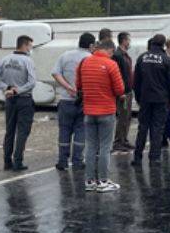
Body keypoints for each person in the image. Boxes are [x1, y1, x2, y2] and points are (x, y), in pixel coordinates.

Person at [77, 38, 125, 192]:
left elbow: (78, 85)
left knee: (91, 146)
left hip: (89, 111)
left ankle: (89, 181)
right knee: (105, 147)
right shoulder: (111, 64)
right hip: (106, 110)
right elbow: (119, 90)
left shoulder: (84, 63)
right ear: (110, 50)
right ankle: (103, 181)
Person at [131, 34, 170, 166]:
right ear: (163, 44)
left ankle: (137, 156)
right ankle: (154, 157)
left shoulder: (142, 58)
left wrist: (138, 98)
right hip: (161, 99)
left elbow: (136, 81)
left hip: (145, 98)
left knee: (143, 127)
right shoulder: (166, 60)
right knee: (157, 128)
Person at [0, 36, 38, 171]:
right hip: (24, 99)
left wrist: (7, 88)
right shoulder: (27, 61)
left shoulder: (5, 59)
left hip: (10, 99)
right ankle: (18, 161)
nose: (30, 49)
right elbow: (32, 82)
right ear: (24, 45)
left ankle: (7, 161)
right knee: (23, 131)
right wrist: (17, 90)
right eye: (30, 46)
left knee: (10, 131)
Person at [52, 33, 93, 171]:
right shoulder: (90, 58)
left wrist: (68, 87)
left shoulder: (65, 55)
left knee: (64, 130)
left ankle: (62, 161)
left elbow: (55, 73)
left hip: (65, 99)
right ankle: (77, 161)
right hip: (83, 100)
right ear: (91, 45)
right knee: (80, 130)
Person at [112, 32, 135, 151]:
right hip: (123, 92)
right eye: (128, 40)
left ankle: (124, 139)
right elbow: (118, 75)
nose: (129, 42)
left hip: (128, 91)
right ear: (124, 40)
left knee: (127, 116)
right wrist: (120, 92)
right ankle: (118, 141)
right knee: (122, 116)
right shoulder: (118, 55)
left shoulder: (124, 55)